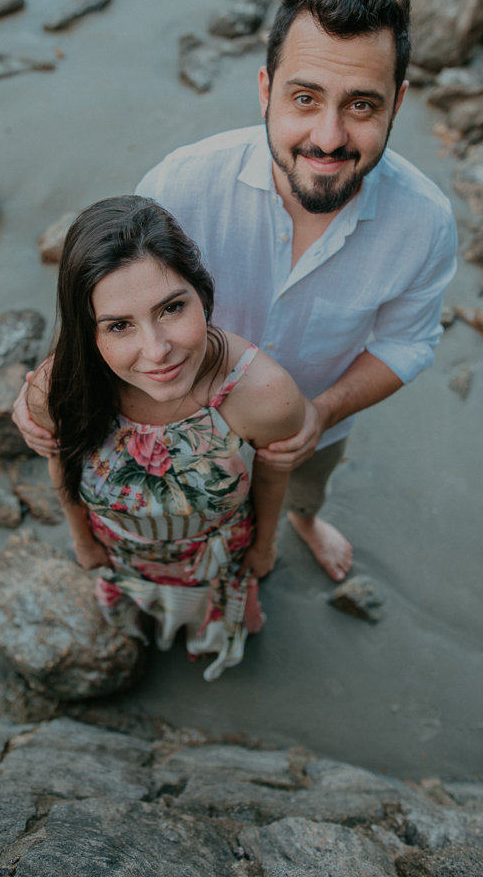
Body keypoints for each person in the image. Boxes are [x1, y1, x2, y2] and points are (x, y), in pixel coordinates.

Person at [14, 0, 457, 583]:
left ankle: (302, 520)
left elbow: (408, 342)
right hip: (172, 412)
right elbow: (111, 294)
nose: (328, 138)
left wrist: (320, 413)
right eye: (305, 98)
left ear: (398, 102)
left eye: (361, 105)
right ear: (265, 90)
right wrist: (44, 388)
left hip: (308, 426)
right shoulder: (180, 183)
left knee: (305, 489)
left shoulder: (427, 224)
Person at [25, 196, 305, 682]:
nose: (157, 352)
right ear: (89, 334)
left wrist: (263, 549)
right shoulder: (61, 391)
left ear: (203, 293)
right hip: (121, 553)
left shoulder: (263, 395)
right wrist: (81, 540)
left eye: (172, 308)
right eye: (119, 326)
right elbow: (61, 461)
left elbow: (274, 472)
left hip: (215, 560)